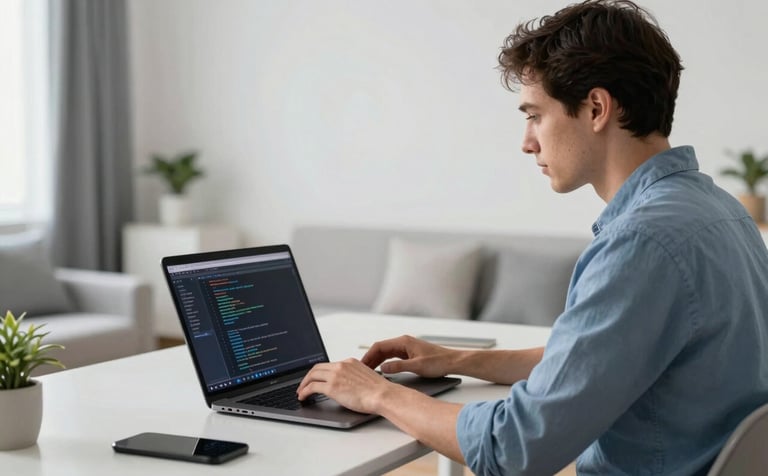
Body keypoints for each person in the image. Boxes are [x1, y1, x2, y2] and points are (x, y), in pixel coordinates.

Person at [297, 1, 768, 474]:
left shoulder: (641, 243)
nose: (527, 141)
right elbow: (595, 362)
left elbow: (514, 449)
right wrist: (457, 360)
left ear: (596, 108)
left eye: (535, 115)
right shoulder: (720, 212)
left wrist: (377, 392)